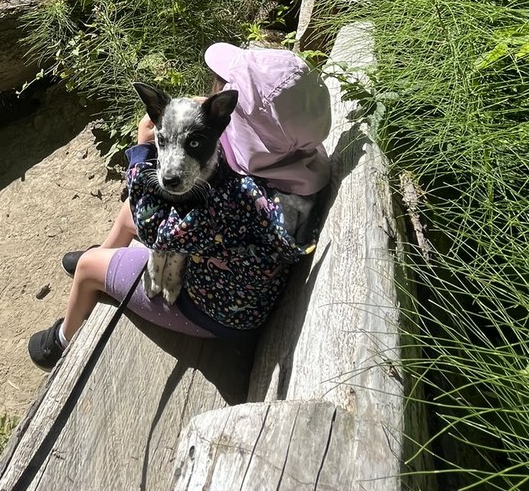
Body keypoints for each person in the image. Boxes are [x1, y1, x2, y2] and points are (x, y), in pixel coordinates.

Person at [27, 43, 333, 369]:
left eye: (227, 104)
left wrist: (144, 149)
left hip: (217, 309)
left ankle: (62, 341)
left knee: (89, 267)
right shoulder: (296, 160)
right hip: (239, 278)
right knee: (129, 213)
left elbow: (155, 230)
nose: (215, 96)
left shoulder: (237, 199)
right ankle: (111, 257)